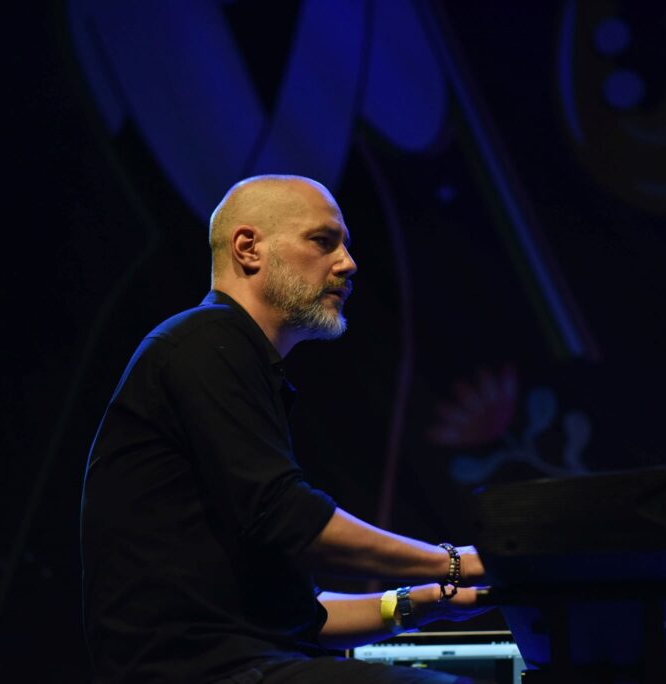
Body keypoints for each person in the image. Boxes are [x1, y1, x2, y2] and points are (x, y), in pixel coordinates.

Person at [81, 175, 493, 683]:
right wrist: (453, 562)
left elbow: (301, 618)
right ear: (248, 248)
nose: (348, 263)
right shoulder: (203, 343)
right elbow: (288, 517)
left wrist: (424, 602)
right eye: (323, 241)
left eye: (345, 245)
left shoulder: (234, 359)